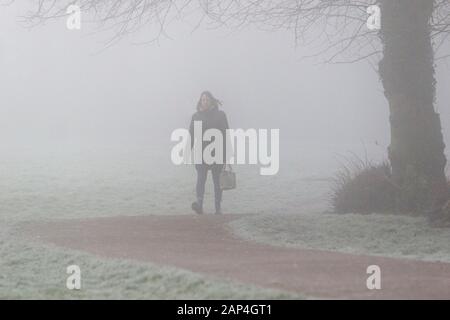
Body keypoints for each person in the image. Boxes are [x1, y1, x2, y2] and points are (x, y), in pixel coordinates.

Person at [190, 91, 230, 214]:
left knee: (217, 182)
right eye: (203, 100)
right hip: (201, 153)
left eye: (207, 99)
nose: (205, 101)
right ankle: (199, 205)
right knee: (201, 179)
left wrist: (226, 156)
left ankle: (218, 208)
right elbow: (191, 135)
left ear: (212, 101)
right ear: (200, 102)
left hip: (217, 153)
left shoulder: (220, 115)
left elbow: (226, 134)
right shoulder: (196, 116)